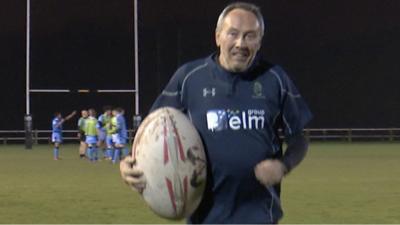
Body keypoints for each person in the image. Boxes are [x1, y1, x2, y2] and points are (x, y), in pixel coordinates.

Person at [120, 2, 312, 224]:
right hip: (204, 218)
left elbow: (298, 137)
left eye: (250, 36)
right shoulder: (189, 78)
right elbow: (152, 130)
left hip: (259, 218)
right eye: (233, 33)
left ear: (259, 42)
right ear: (218, 36)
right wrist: (130, 163)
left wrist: (283, 165)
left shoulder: (274, 78)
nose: (241, 43)